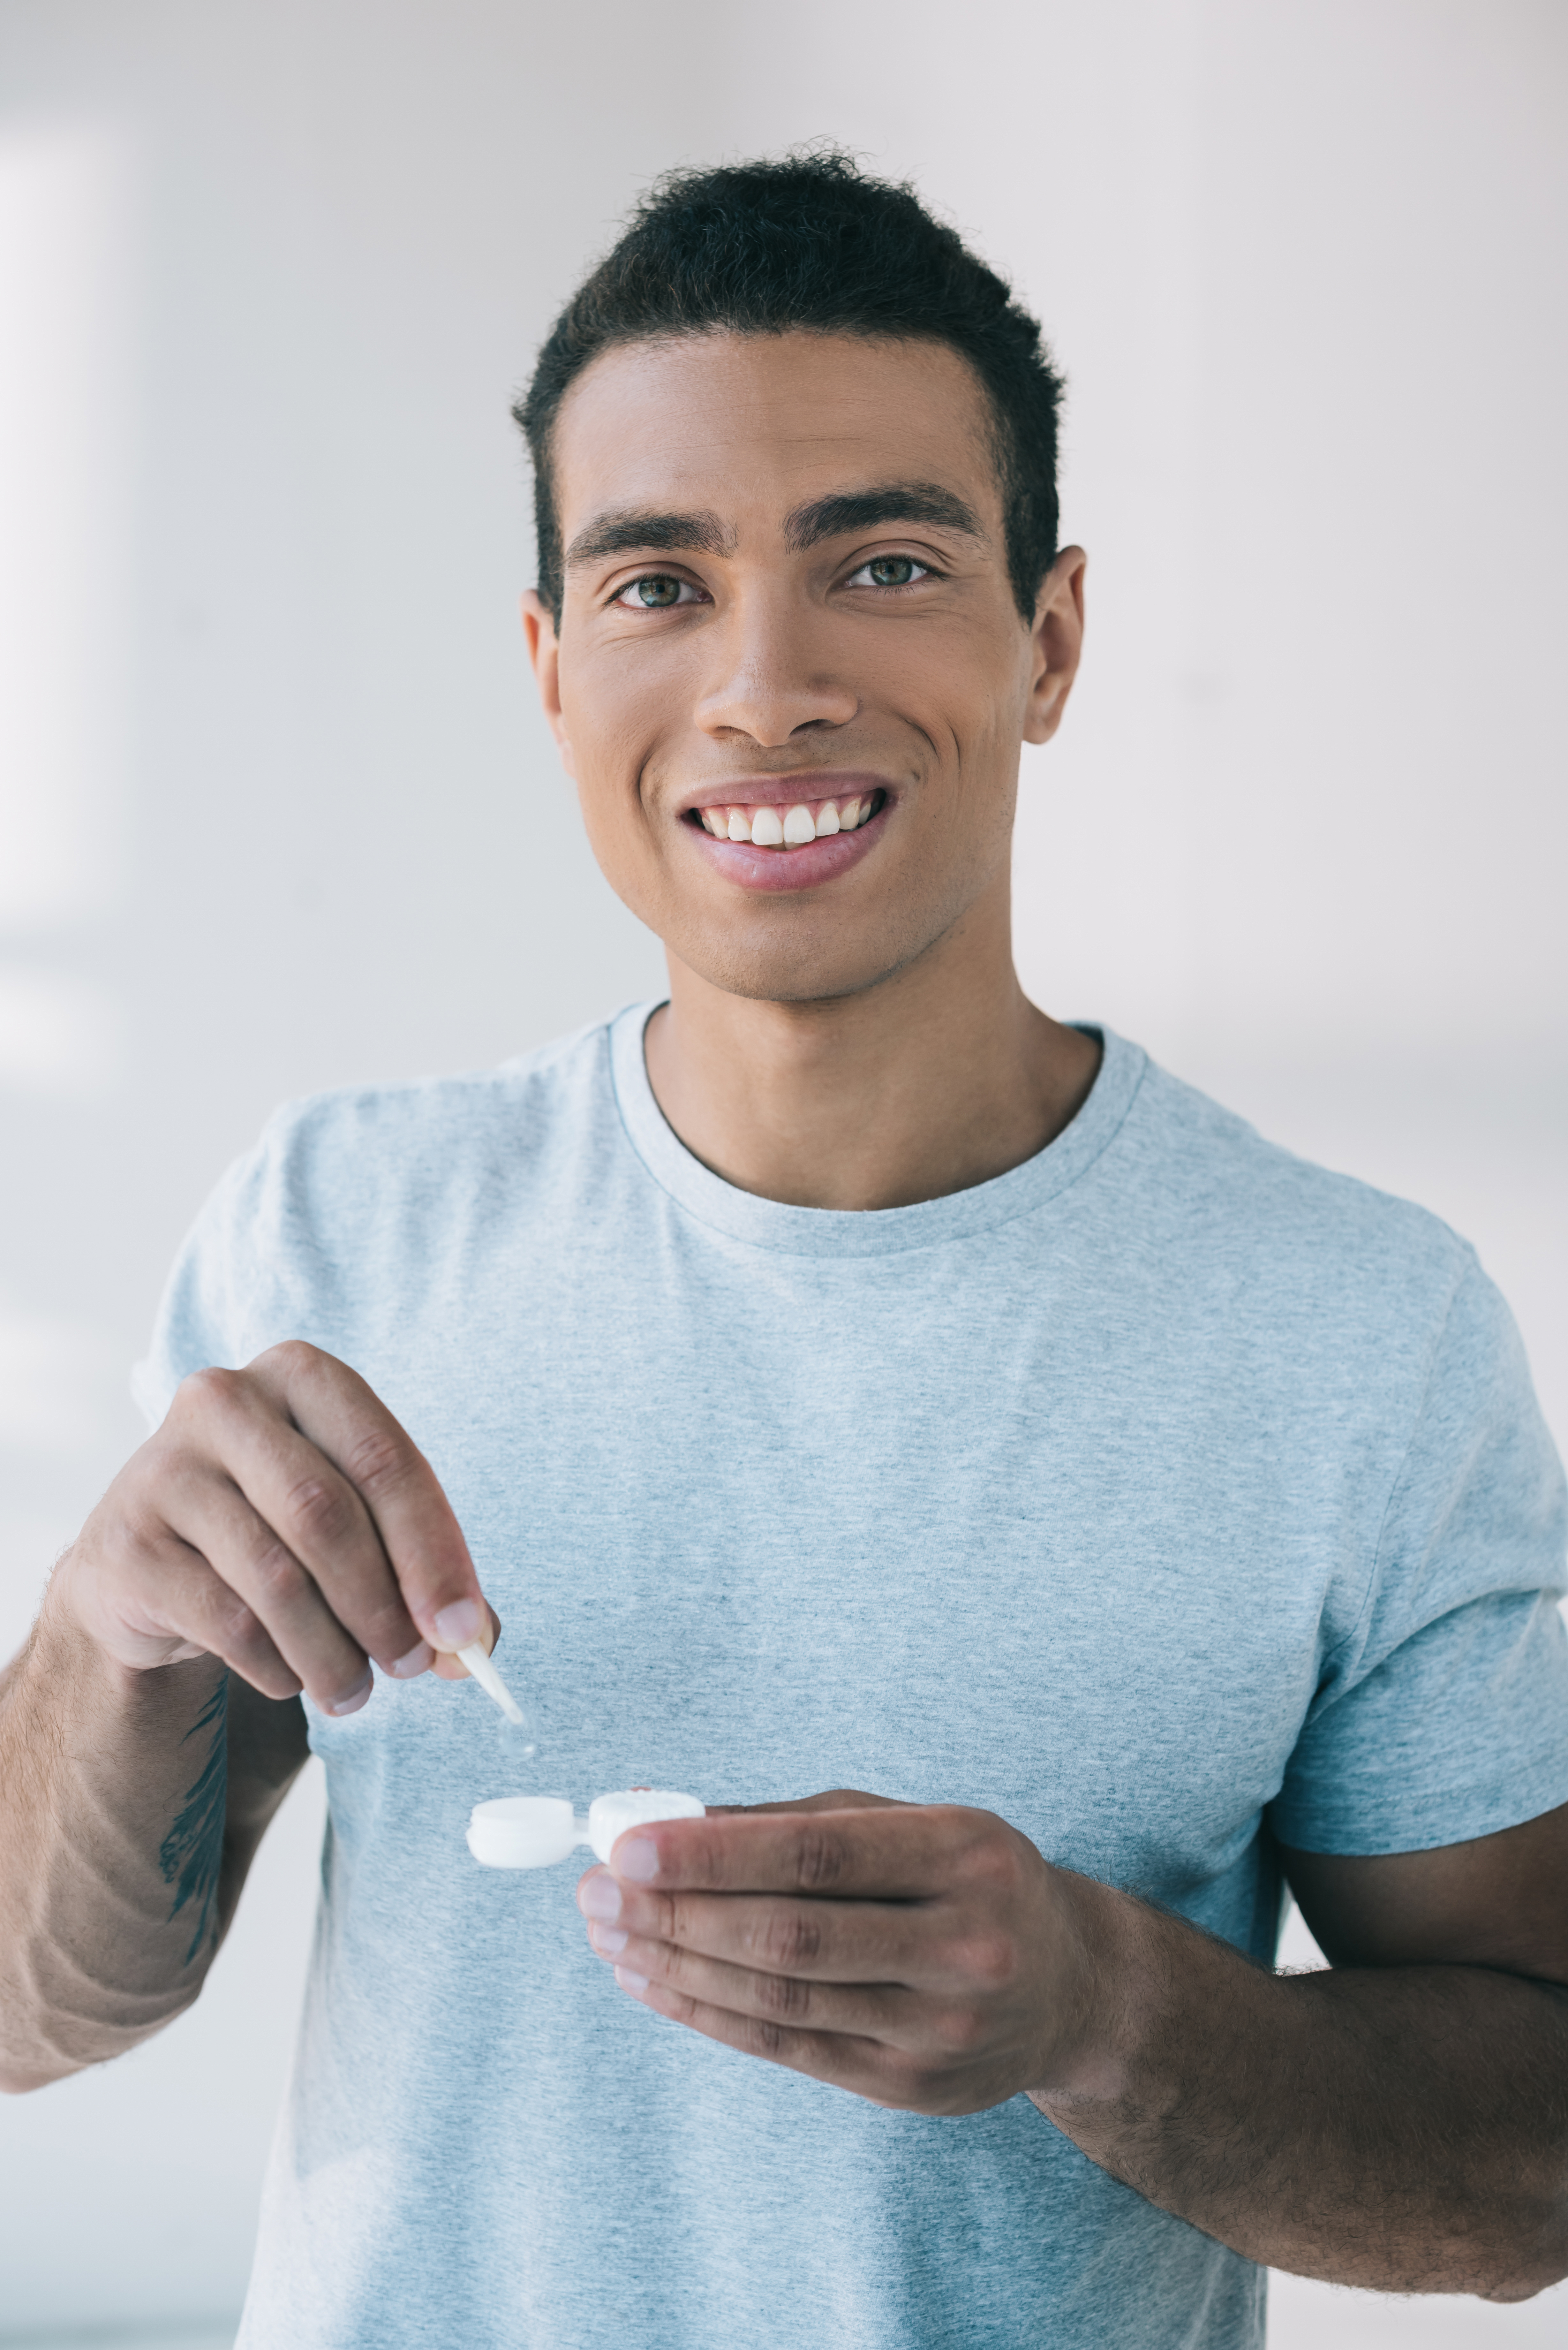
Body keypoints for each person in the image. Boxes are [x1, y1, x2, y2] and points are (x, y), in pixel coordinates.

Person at [2, 151, 1565, 2350]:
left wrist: (1108, 2008)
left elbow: (1532, 2170)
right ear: (552, 670)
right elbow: (27, 2014)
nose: (764, 687)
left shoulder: (1357, 1335)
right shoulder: (331, 1230)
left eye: (886, 563)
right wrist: (108, 1633)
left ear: (1051, 641)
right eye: (657, 585)